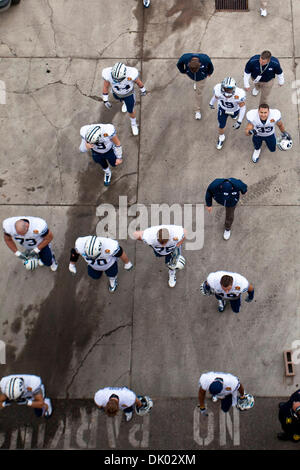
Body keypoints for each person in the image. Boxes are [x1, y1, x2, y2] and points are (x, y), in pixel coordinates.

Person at [69, 235, 133, 293]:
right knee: (94, 276)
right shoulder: (80, 244)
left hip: (109, 265)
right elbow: (75, 252)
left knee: (112, 274)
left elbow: (120, 253)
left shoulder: (110, 246)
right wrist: (72, 264)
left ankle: (113, 280)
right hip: (93, 265)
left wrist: (127, 263)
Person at [102, 62, 146, 136]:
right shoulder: (108, 75)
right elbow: (105, 86)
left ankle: (133, 124)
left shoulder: (131, 74)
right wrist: (105, 99)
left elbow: (138, 82)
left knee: (130, 111)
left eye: (118, 79)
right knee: (120, 100)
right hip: (117, 93)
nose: (116, 81)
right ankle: (124, 103)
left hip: (129, 95)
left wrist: (143, 89)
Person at [209, 77, 246, 150]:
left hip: (234, 109)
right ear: (222, 87)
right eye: (226, 89)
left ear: (234, 88)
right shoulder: (218, 90)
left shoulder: (239, 93)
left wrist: (239, 121)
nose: (228, 91)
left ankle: (234, 116)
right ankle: (221, 137)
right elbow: (215, 97)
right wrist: (211, 103)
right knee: (221, 125)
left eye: (230, 89)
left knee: (234, 116)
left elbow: (242, 107)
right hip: (222, 109)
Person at [176, 53, 214, 120]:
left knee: (198, 93)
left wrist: (209, 73)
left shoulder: (205, 59)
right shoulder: (185, 57)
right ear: (189, 63)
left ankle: (197, 110)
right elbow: (179, 64)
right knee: (195, 79)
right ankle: (196, 83)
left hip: (201, 78)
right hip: (191, 76)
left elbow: (211, 66)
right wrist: (183, 71)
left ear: (199, 64)